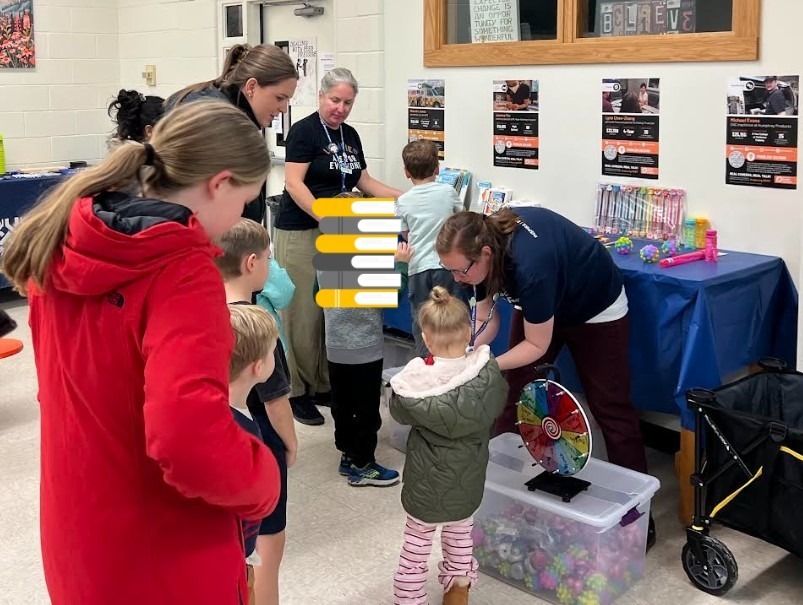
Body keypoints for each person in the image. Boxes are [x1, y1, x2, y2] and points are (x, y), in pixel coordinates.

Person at [0, 101, 281, 605]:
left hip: (77, 527)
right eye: (246, 200)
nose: (241, 216)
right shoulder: (181, 270)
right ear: (219, 184)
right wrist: (263, 480)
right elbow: (187, 440)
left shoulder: (61, 238)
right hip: (161, 548)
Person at [435, 207, 656, 550]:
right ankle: (501, 491)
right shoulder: (474, 257)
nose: (457, 278)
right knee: (512, 395)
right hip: (541, 304)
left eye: (460, 270)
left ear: (487, 254)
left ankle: (636, 516)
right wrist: (469, 350)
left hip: (594, 307)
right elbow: (484, 317)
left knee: (610, 406)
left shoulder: (529, 266)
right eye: (450, 270)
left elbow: (537, 344)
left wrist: (486, 365)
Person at [275, 67, 403, 426]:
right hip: (303, 228)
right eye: (335, 100)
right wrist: (325, 213)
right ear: (321, 96)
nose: (341, 109)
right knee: (303, 312)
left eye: (347, 102)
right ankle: (298, 390)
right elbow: (294, 183)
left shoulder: (350, 135)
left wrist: (411, 197)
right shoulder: (303, 132)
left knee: (335, 309)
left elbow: (364, 180)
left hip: (343, 229)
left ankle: (322, 383)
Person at [389, 287, 507, 605]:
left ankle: (410, 598)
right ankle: (457, 592)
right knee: (460, 539)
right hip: (468, 482)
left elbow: (399, 411)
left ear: (426, 340)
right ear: (470, 331)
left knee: (416, 547)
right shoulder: (487, 374)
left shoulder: (417, 381)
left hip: (425, 484)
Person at [215, 218, 298, 605]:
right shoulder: (258, 327)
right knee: (266, 552)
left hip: (218, 436)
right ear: (251, 263)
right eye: (268, 258)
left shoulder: (203, 314)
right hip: (262, 441)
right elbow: (275, 399)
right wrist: (291, 443)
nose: (269, 265)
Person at [318, 191, 406, 486]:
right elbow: (392, 293)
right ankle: (363, 464)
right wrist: (401, 264)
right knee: (366, 408)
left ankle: (347, 454)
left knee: (342, 403)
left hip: (335, 344)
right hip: (364, 347)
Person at [166, 44, 299, 224]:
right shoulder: (218, 119)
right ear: (251, 87)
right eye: (279, 98)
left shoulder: (208, 100)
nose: (283, 109)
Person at [227, 304, 281, 605]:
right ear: (258, 367)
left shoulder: (207, 413)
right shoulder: (244, 434)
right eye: (273, 352)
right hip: (234, 557)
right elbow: (250, 508)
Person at [395, 139, 463, 356]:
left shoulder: (403, 201)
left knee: (422, 318)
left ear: (406, 172)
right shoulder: (448, 192)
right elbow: (460, 221)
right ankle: (454, 355)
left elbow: (405, 235)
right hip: (448, 267)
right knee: (452, 315)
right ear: (437, 168)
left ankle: (426, 360)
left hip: (418, 268)